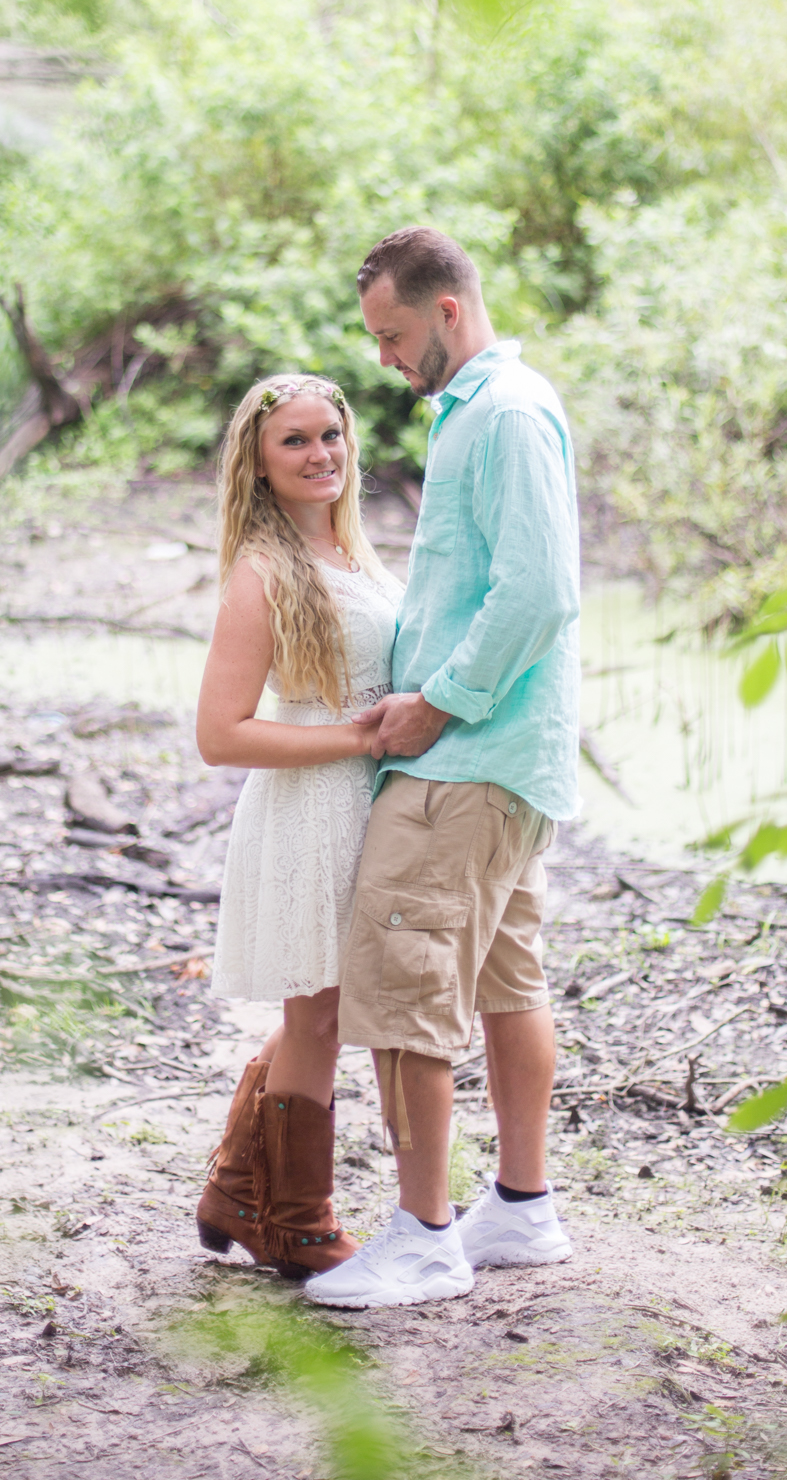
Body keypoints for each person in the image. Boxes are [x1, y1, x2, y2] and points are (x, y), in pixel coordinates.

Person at [304, 227, 580, 1311]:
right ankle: (520, 1205)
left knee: (400, 987)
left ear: (449, 311)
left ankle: (423, 1235)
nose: (381, 357)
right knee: (510, 978)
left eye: (393, 333)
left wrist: (436, 702)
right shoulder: (485, 409)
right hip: (511, 760)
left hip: (465, 756)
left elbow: (536, 591)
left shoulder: (503, 413)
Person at [194, 373, 404, 1276]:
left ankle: (236, 1188)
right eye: (295, 442)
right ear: (260, 462)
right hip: (310, 807)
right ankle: (298, 1223)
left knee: (330, 1005)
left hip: (370, 799)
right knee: (318, 1014)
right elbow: (219, 734)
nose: (320, 454)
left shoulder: (358, 554)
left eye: (331, 435)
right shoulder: (263, 573)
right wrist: (353, 738)